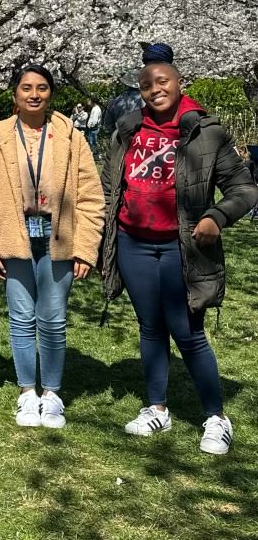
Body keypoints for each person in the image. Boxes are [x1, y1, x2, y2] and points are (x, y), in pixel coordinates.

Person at [101, 57, 257, 454]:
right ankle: (157, 407)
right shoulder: (127, 129)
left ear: (178, 81)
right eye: (147, 84)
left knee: (187, 332)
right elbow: (109, 186)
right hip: (133, 243)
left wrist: (217, 218)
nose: (156, 89)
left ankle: (216, 417)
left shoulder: (205, 131)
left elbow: (244, 188)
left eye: (163, 81)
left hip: (181, 246)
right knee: (150, 327)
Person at [0, 64, 104, 428]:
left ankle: (53, 394)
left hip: (57, 235)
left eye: (42, 88)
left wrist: (86, 247)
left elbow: (91, 196)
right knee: (20, 317)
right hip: (14, 236)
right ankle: (27, 392)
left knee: (53, 318)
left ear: (51, 94)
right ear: (14, 94)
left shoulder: (70, 137)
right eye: (27, 88)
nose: (34, 94)